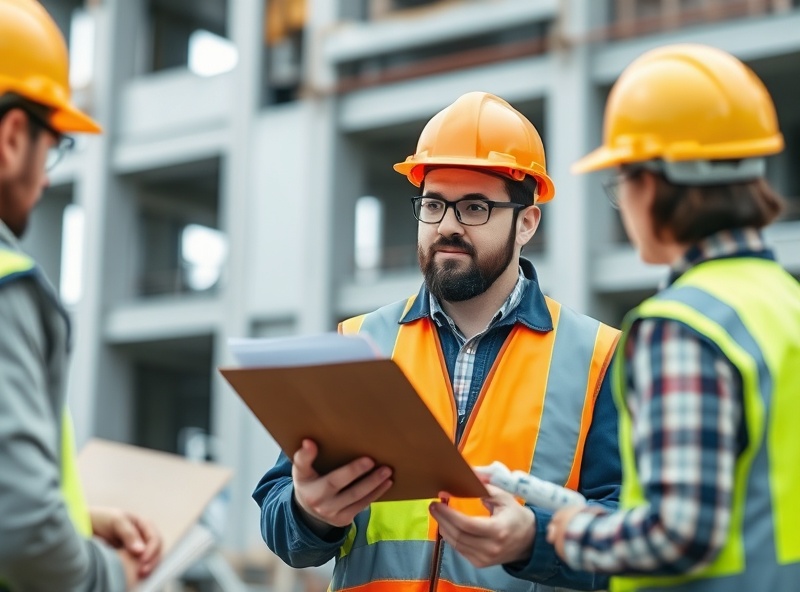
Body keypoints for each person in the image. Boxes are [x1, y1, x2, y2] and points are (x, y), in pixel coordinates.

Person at [254, 91, 622, 592]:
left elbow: (633, 536)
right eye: (433, 204)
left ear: (526, 223)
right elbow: (283, 524)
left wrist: (536, 539)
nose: (447, 225)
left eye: (474, 207)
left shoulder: (597, 357)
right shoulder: (359, 342)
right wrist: (310, 513)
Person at [546, 44, 800, 592]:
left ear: (652, 183)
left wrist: (576, 530)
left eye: (620, 183)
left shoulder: (682, 325)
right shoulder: (786, 302)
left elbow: (678, 534)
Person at [0, 1, 162, 589]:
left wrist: (75, 522)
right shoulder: (5, 288)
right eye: (52, 147)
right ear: (14, 136)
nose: (46, 177)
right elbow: (19, 531)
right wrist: (105, 575)